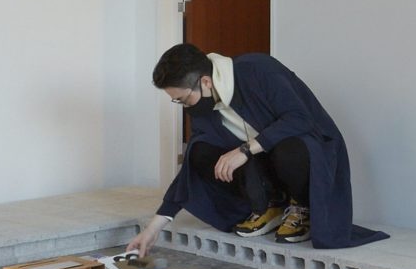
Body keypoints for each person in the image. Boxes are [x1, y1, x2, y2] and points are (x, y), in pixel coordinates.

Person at [124, 45, 386, 255]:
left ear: (205, 81)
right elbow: (190, 169)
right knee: (200, 151)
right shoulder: (204, 107)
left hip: (306, 152)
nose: (183, 106)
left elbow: (300, 119)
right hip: (265, 163)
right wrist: (153, 228)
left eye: (182, 99)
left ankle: (302, 207)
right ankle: (270, 206)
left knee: (287, 150)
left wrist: (245, 150)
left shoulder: (258, 70)